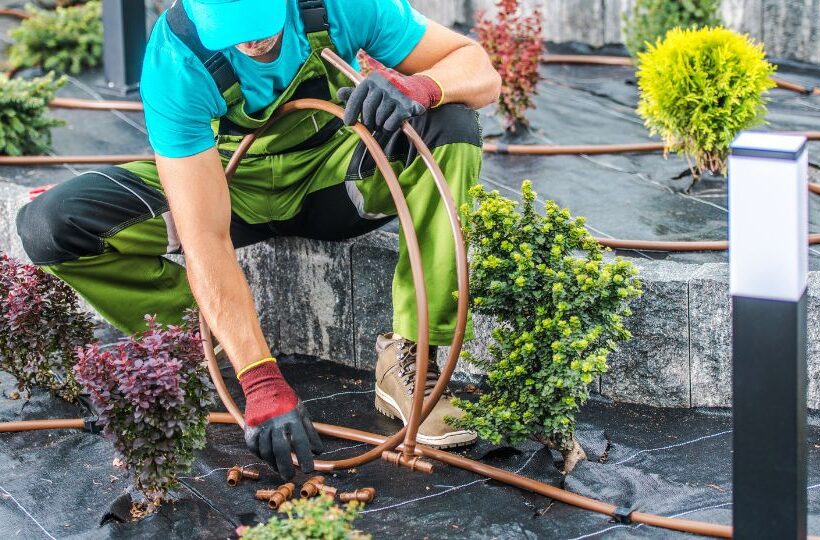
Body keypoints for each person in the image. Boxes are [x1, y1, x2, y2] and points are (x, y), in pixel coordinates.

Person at [16, 0, 501, 479]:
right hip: (228, 188)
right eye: (231, 31)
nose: (249, 41)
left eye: (258, 24)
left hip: (336, 181)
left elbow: (479, 69)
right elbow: (204, 232)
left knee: (452, 125)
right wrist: (259, 377)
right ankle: (203, 340)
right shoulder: (176, 58)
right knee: (53, 225)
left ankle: (410, 359)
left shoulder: (341, 6)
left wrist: (423, 86)